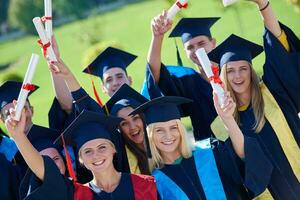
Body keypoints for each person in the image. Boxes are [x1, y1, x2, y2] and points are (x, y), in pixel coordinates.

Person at [208, 1, 300, 197]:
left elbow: (280, 51)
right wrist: (228, 120)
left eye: (243, 68)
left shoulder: (273, 92)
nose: (238, 76)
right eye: (230, 71)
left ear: (251, 71)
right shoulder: (220, 125)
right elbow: (240, 170)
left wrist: (263, 5)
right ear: (224, 76)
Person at [130, 95, 272, 199]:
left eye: (173, 127)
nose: (168, 135)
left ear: (181, 129)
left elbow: (245, 160)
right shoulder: (157, 183)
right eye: (159, 130)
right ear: (150, 135)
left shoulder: (210, 151)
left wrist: (228, 120)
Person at [5, 109, 158, 200]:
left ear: (114, 149)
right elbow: (46, 170)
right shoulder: (77, 194)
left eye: (102, 147)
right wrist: (18, 136)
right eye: (88, 151)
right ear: (81, 159)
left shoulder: (146, 184)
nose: (96, 155)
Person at [146, 12, 221, 140]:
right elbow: (153, 75)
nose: (197, 50)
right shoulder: (188, 82)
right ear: (185, 52)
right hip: (212, 152)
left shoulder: (231, 72)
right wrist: (157, 37)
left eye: (201, 43)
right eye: (190, 47)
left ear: (213, 42)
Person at [104, 84, 150, 174]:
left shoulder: (162, 145)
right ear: (119, 128)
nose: (132, 127)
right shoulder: (122, 160)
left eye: (135, 118)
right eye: (124, 123)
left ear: (143, 118)